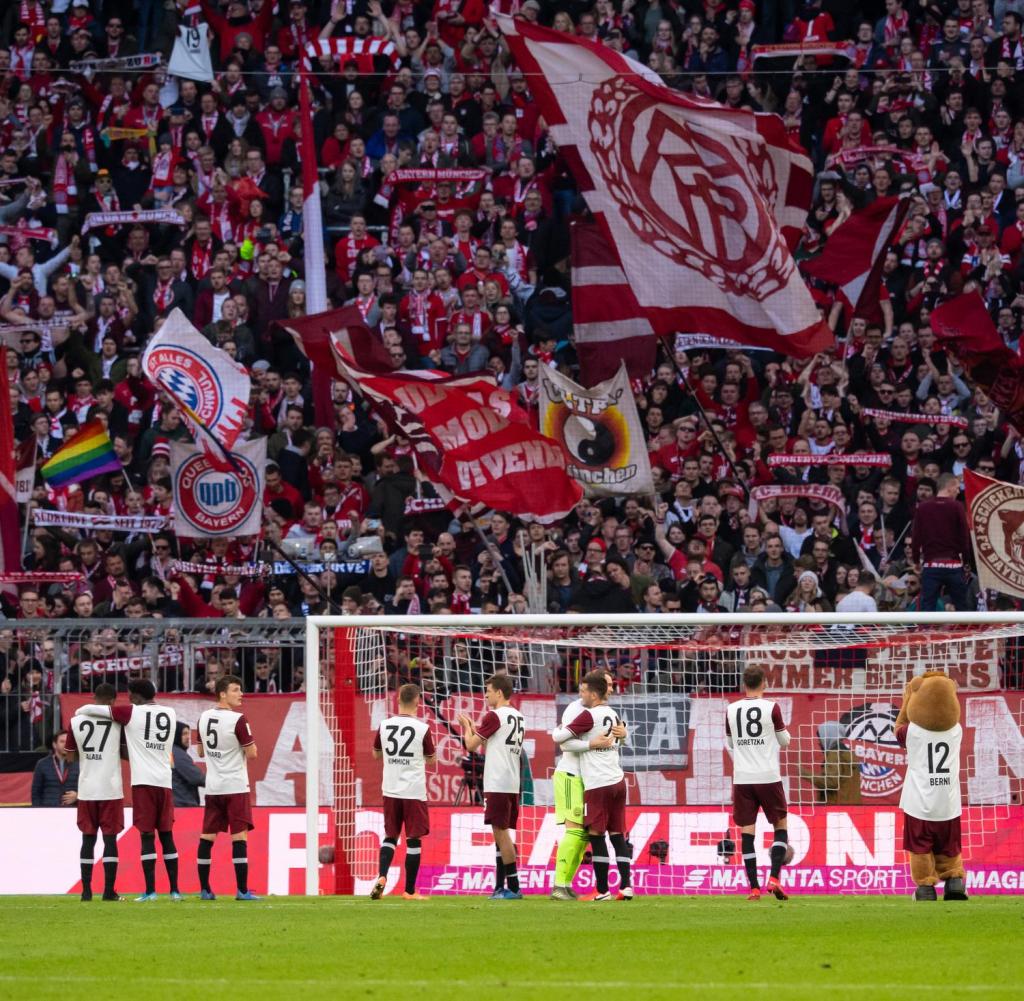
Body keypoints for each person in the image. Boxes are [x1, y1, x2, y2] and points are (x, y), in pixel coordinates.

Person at [77, 679, 180, 902]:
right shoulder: (171, 713)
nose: (129, 697)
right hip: (165, 780)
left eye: (130, 694)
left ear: (135, 696)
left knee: (147, 835)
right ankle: (175, 890)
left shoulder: (132, 712)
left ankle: (150, 891)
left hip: (143, 782)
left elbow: (98, 709)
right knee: (167, 835)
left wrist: (81, 709)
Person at [553, 671, 632, 902]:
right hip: (576, 775)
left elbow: (560, 738)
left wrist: (623, 734)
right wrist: (592, 743)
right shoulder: (577, 710)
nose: (611, 689)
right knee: (598, 833)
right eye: (608, 685)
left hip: (595, 781)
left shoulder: (595, 712)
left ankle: (598, 889)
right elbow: (565, 744)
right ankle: (565, 885)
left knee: (592, 834)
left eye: (611, 684)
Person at [725, 665, 792, 901]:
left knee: (747, 832)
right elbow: (785, 741)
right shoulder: (771, 707)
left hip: (743, 778)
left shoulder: (731, 709)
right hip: (768, 776)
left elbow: (731, 743)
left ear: (744, 684)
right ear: (764, 682)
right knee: (780, 827)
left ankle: (753, 888)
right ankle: (773, 878)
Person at [457, 674, 526, 899]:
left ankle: (514, 887)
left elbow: (470, 745)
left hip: (497, 781)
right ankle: (500, 886)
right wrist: (477, 728)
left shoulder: (495, 716)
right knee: (502, 834)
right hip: (513, 782)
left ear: (499, 692)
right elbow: (491, 742)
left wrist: (467, 726)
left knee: (501, 833)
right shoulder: (518, 717)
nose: (485, 694)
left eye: (488, 690)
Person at [370, 683, 435, 900]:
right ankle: (409, 891)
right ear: (418, 702)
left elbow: (376, 755)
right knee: (414, 840)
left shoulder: (385, 725)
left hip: (390, 790)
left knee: (390, 836)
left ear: (398, 699)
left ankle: (382, 876)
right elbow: (432, 759)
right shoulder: (423, 728)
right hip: (413, 791)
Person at [196, 674, 259, 901]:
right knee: (239, 837)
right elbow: (252, 754)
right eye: (235, 690)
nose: (240, 694)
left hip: (213, 787)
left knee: (207, 836)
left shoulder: (203, 717)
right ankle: (242, 890)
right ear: (222, 694)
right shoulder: (238, 719)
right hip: (234, 785)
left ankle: (205, 889)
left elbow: (201, 752)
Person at [65, 683, 123, 901]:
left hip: (87, 789)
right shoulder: (117, 722)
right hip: (110, 789)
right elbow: (124, 751)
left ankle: (86, 891)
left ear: (93, 697)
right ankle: (109, 891)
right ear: (112, 701)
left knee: (87, 840)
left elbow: (69, 757)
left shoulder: (75, 721)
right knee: (110, 840)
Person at [911, 472, 971, 611]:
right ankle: (965, 633)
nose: (958, 490)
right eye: (957, 487)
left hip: (931, 565)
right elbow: (964, 538)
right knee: (962, 608)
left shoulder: (923, 508)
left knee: (927, 609)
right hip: (954, 566)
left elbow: (916, 537)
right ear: (949, 487)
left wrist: (915, 561)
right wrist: (966, 562)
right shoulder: (957, 507)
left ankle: (927, 632)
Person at [30, 729, 79, 807]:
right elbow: (36, 793)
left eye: (68, 742)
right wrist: (38, 812)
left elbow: (88, 789)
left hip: (73, 810)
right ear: (54, 745)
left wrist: (78, 796)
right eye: (62, 741)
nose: (66, 744)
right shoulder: (42, 764)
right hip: (48, 811)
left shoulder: (79, 764)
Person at [172, 720, 206, 807]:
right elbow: (197, 778)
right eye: (184, 734)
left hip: (177, 804)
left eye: (188, 734)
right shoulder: (178, 755)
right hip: (183, 805)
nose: (188, 737)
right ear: (175, 735)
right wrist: (220, 783)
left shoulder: (171, 752)